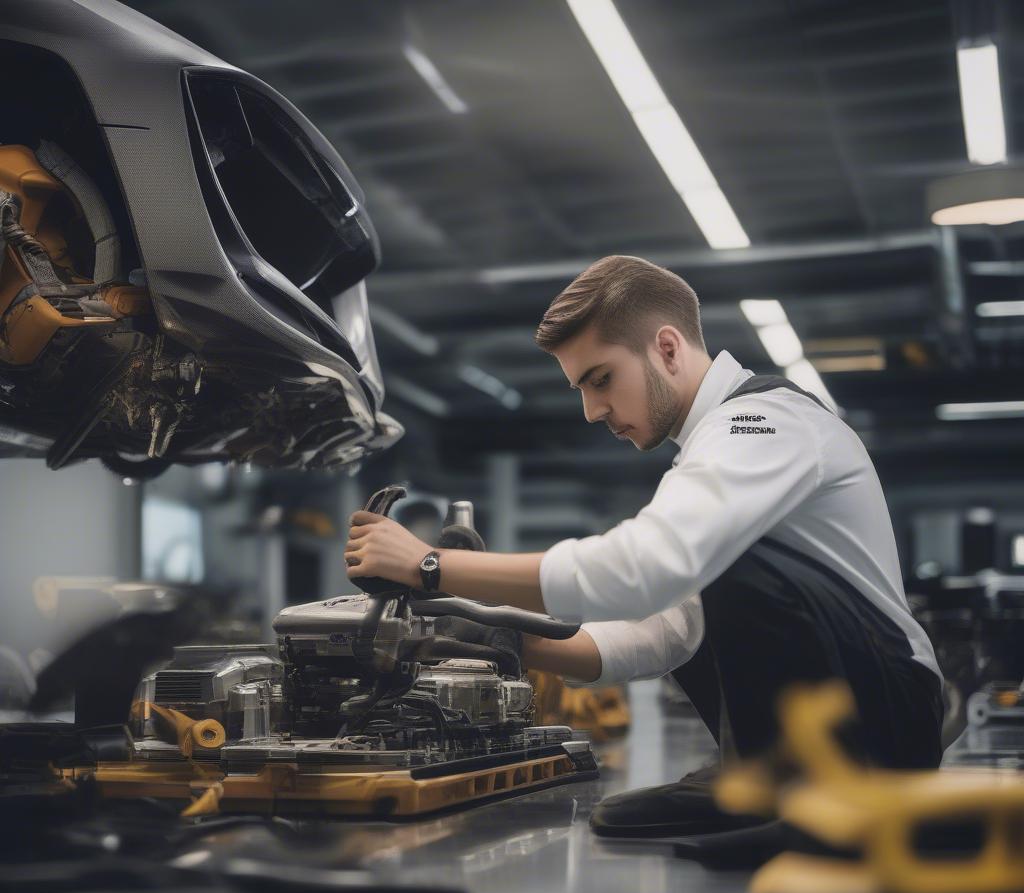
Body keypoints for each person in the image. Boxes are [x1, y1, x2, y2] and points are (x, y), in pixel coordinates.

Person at [344, 255, 944, 839]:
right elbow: (668, 632)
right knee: (616, 819)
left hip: (887, 724)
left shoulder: (764, 423)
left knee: (693, 557)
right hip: (843, 728)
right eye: (580, 388)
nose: (591, 410)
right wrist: (510, 636)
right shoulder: (716, 457)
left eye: (601, 379)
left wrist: (433, 567)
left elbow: (648, 569)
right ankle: (761, 780)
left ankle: (795, 790)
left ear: (667, 348)